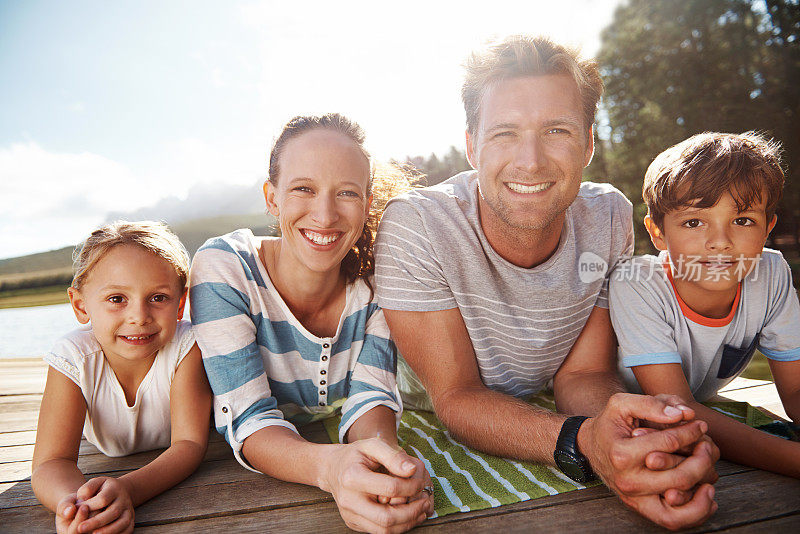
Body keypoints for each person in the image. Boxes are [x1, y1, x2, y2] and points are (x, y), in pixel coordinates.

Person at [374, 35, 720, 530]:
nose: (530, 161)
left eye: (556, 130)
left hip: (543, 403)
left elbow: (580, 376)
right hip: (432, 404)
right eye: (504, 133)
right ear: (472, 146)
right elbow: (455, 396)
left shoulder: (609, 217)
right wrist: (585, 444)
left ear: (588, 144)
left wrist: (640, 447)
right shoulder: (419, 224)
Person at [189, 113, 434, 533]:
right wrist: (331, 469)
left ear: (367, 204)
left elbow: (371, 397)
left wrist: (383, 462)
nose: (324, 215)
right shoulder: (224, 269)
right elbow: (249, 419)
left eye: (347, 193)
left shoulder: (378, 284)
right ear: (272, 198)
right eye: (304, 188)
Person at [610, 131, 800, 477]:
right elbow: (679, 409)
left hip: (695, 405)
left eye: (743, 221)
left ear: (767, 227)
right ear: (657, 233)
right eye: (694, 222)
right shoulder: (635, 282)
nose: (720, 242)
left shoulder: (771, 273)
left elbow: (796, 390)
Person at [31, 221, 212, 534]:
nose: (139, 316)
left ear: (180, 304)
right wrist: (79, 507)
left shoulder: (186, 346)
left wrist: (127, 490)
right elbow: (52, 461)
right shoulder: (73, 356)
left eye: (158, 298)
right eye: (117, 299)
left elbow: (188, 444)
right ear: (80, 305)